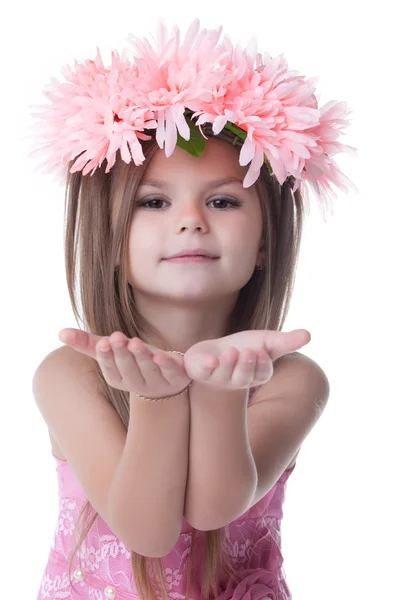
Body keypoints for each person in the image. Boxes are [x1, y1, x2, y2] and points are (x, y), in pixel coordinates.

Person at [28, 18, 357, 600]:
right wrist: (156, 399)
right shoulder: (71, 374)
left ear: (263, 243)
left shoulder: (292, 380)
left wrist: (221, 390)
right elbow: (146, 531)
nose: (190, 221)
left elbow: (212, 508)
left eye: (223, 200)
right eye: (153, 201)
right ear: (106, 238)